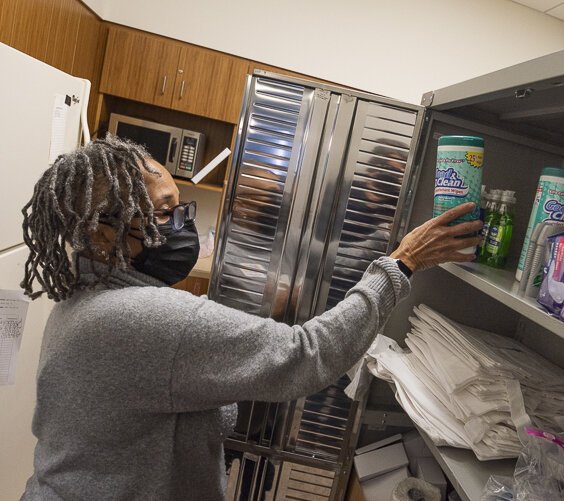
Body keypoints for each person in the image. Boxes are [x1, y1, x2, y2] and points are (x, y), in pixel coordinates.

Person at [19, 135, 482, 500]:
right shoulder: (140, 316)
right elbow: (306, 355)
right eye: (164, 212)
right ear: (103, 234)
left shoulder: (82, 301)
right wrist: (400, 265)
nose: (182, 222)